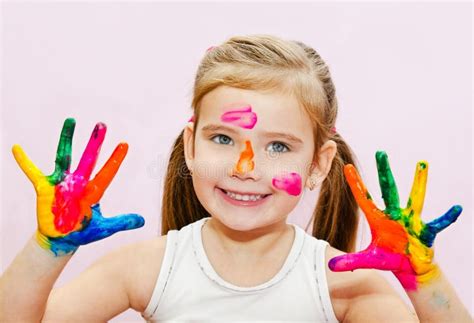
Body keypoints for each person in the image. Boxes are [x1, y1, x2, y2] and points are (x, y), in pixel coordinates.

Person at [0, 34, 471, 322]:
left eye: (279, 146)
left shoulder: (340, 285)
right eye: (222, 139)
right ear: (190, 146)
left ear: (319, 164)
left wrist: (422, 279)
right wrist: (50, 246)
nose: (245, 168)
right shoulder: (149, 269)